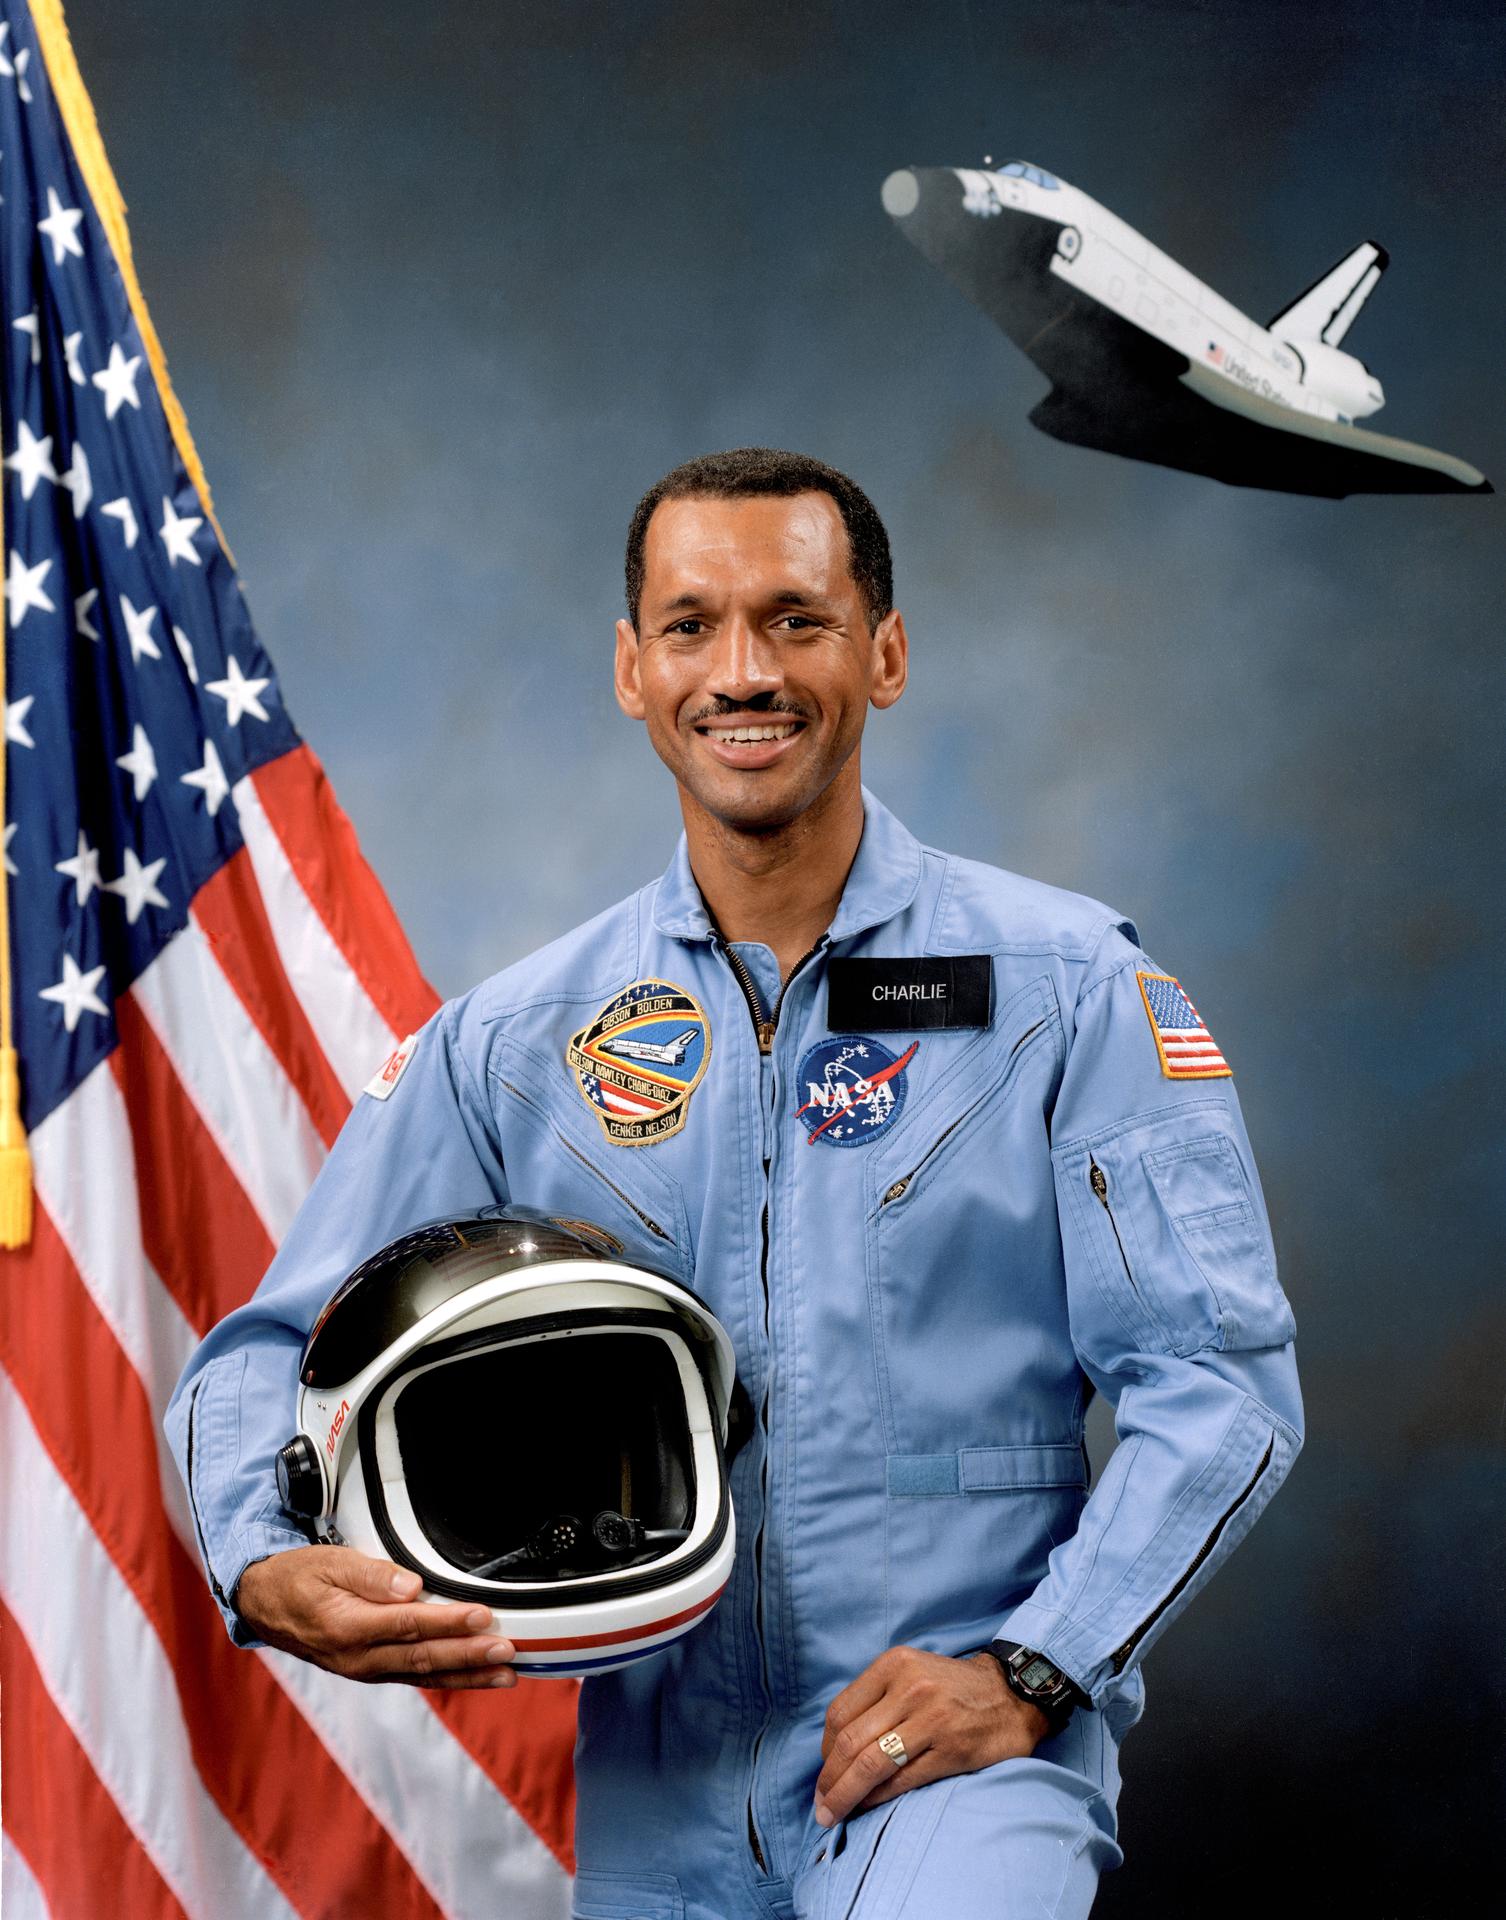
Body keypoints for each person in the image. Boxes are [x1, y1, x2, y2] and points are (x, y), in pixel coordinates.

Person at [166, 447, 1304, 1920]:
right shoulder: (516, 1044)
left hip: (947, 1759)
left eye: (796, 619)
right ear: (631, 672)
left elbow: (1217, 1384)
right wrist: (259, 1561)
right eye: (691, 625)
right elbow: (271, 1348)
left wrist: (1039, 1669)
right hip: (654, 1780)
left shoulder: (1066, 992)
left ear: (883, 655)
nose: (743, 671)